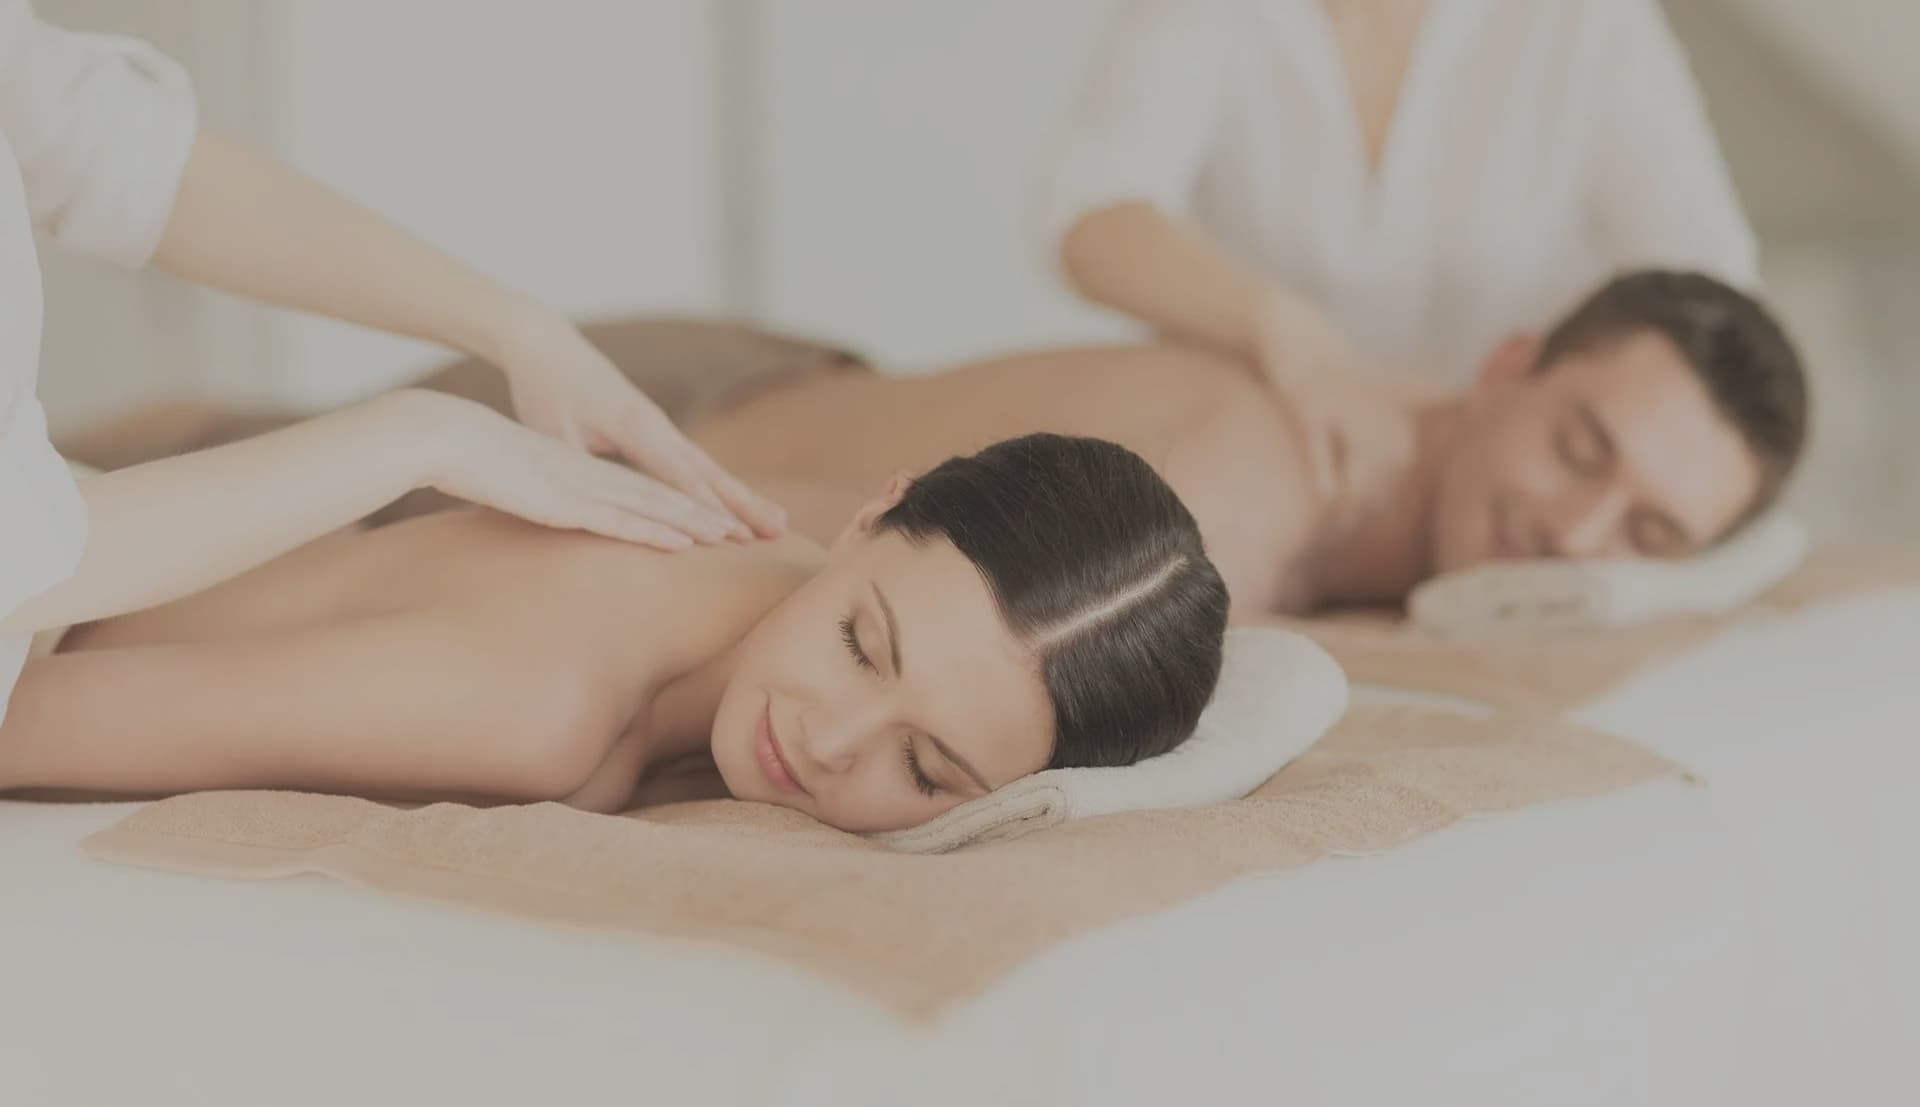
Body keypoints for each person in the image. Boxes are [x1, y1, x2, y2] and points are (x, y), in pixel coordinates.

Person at [64, 269, 1810, 625]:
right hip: (708, 413)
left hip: (797, 363)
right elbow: (893, 545)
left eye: (1647, 531)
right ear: (1504, 365)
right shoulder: (1261, 482)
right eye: (1584, 439)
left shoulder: (1389, 512)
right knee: (154, 506)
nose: (1575, 523)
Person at [0, 2, 780, 723]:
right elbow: (32, 555)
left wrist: (525, 334)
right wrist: (426, 438)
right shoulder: (545, 716)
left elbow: (109, 151)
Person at [0, 434, 1231, 835]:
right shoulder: (537, 709)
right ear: (865, 519)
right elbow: (24, 715)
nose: (830, 738)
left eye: (927, 772)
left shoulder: (746, 560)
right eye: (863, 646)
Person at [1045, 0, 1757, 501]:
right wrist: (1291, 333)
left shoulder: (1585, 21)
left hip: (1504, 487)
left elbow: (1712, 291)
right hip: (1287, 469)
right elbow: (1093, 219)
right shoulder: (1212, 13)